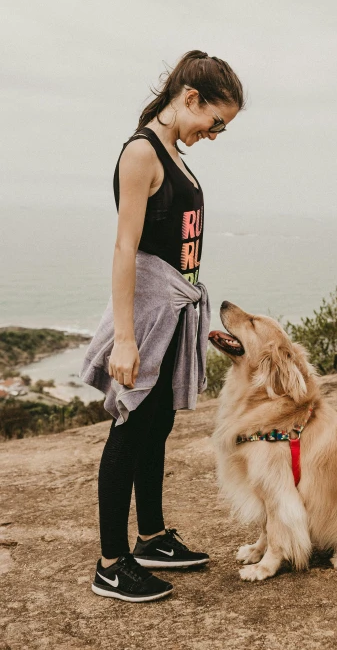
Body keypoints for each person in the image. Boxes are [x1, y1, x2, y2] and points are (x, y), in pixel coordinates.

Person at [83, 50, 244, 602]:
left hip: (175, 310)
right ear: (190, 98)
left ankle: (150, 537)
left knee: (157, 426)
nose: (216, 133)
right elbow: (126, 248)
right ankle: (111, 562)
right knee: (130, 429)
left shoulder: (174, 152)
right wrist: (124, 339)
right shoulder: (141, 153)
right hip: (148, 317)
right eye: (216, 121)